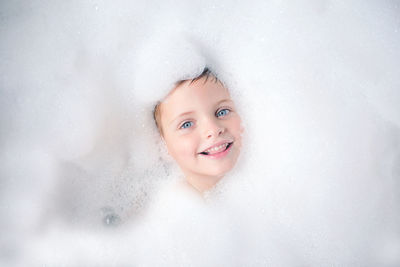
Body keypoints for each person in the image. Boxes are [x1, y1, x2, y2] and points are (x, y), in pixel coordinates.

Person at [153, 68, 243, 193]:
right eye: (187, 124)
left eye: (222, 112)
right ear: (163, 145)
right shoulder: (167, 209)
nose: (213, 129)